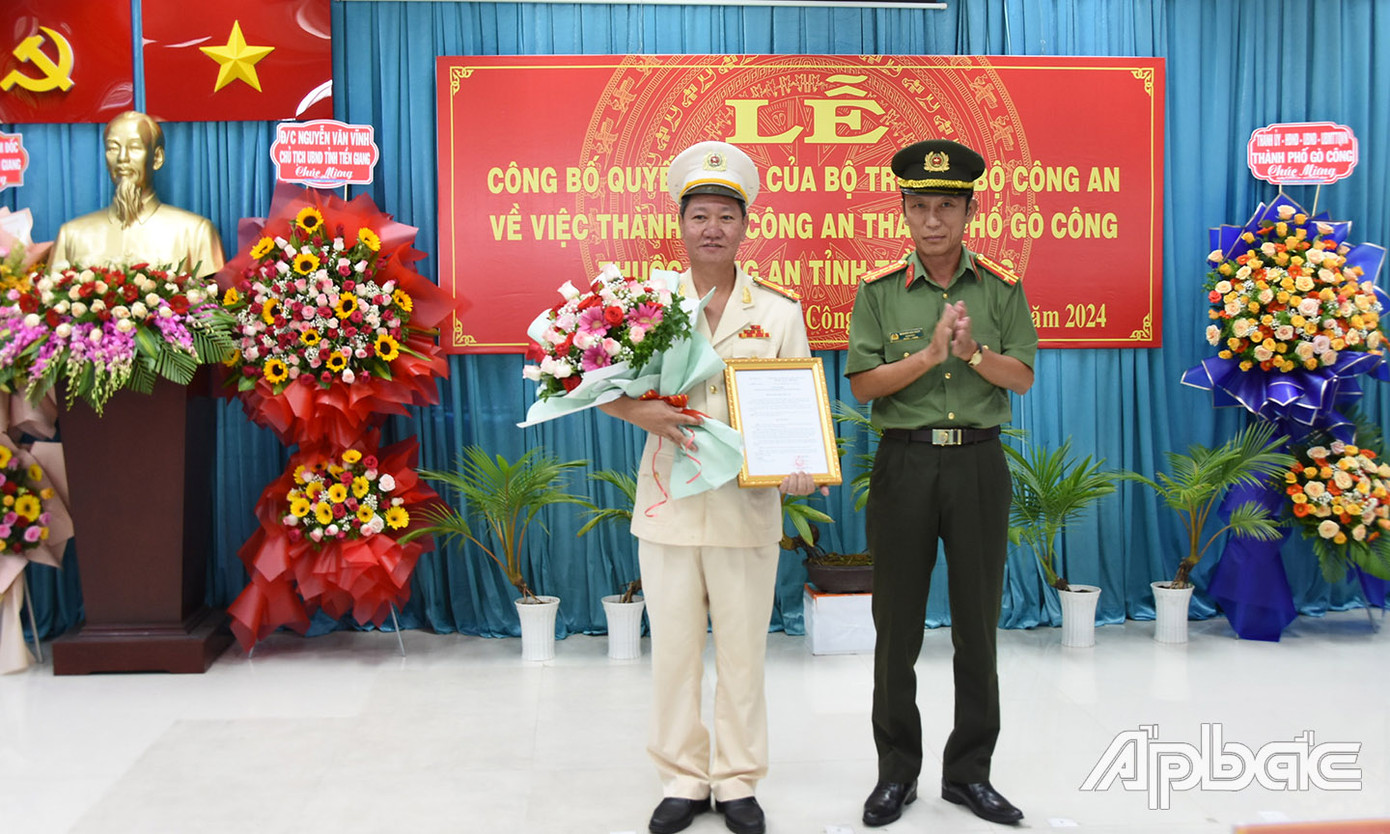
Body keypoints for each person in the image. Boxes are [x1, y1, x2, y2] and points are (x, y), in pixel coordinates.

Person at [599, 141, 822, 834]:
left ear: (745, 226)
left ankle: (737, 780)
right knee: (670, 654)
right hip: (668, 501)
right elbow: (600, 390)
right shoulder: (646, 306)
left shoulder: (777, 314)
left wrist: (801, 464)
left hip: (746, 507)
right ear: (682, 224)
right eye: (700, 215)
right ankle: (683, 777)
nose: (712, 228)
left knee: (742, 654)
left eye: (726, 215)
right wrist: (642, 411)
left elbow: (797, 410)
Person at [845, 139, 1038, 827]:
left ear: (970, 210)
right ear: (903, 211)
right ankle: (896, 772)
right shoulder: (876, 292)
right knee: (895, 626)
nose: (934, 221)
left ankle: (968, 775)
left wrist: (973, 353)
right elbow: (865, 383)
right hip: (905, 462)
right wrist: (929, 356)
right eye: (920, 207)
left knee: (977, 627)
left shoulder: (1002, 287)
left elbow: (1023, 376)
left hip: (978, 465)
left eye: (947, 207)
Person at [51, 110, 224, 278]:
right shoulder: (71, 236)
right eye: (113, 148)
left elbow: (210, 302)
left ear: (157, 158)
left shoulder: (196, 233)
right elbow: (52, 300)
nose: (122, 158)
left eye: (134, 147)